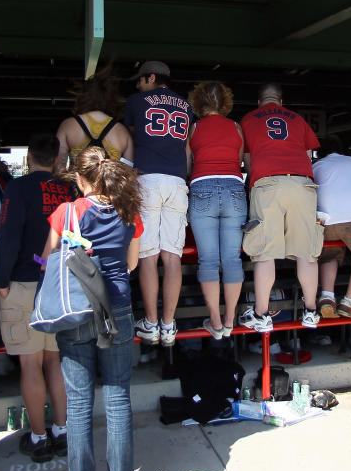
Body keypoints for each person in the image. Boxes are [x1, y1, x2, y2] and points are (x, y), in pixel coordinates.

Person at [47, 146, 143, 471]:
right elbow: (132, 263)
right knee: (118, 398)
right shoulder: (129, 212)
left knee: (79, 403)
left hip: (75, 310)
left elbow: (47, 261)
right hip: (117, 306)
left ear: (79, 178)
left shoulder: (65, 212)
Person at [0, 133, 73, 463]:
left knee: (30, 362)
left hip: (25, 282)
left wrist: (1, 280)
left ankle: (39, 438)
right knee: (55, 360)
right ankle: (63, 431)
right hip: (59, 285)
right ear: (57, 160)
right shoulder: (68, 191)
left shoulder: (18, 188)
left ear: (29, 160)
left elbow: (8, 237)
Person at [238, 83, 322, 332]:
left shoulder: (249, 119)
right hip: (302, 182)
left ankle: (262, 315)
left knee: (265, 252)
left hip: (268, 182)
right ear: (281, 101)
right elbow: (308, 156)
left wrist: (256, 183)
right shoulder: (296, 118)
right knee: (307, 252)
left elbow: (247, 160)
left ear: (259, 101)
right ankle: (310, 312)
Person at [124, 61, 192, 347]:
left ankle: (150, 324)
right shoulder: (187, 106)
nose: (137, 85)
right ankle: (168, 324)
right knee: (172, 257)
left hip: (147, 179)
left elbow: (128, 138)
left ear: (151, 77)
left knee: (148, 256)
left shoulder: (137, 101)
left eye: (140, 79)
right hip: (177, 181)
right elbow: (187, 147)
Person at [186, 80, 247, 339]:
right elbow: (241, 159)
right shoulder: (236, 127)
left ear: (199, 101)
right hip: (234, 187)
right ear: (225, 102)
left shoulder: (194, 127)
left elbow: (187, 163)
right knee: (232, 259)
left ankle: (215, 321)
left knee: (208, 260)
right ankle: (231, 318)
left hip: (201, 186)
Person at [312, 136, 351, 319]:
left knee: (330, 254)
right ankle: (350, 301)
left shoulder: (316, 166)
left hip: (327, 221)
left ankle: (327, 297)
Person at [55, 63, 133, 172]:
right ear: (111, 99)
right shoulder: (122, 132)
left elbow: (60, 165)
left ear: (83, 97)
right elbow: (128, 171)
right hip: (108, 188)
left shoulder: (68, 125)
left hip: (77, 186)